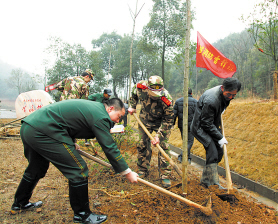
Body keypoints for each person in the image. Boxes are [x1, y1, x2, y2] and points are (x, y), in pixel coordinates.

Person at [10, 98, 138, 224]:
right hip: (44, 131)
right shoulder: (101, 116)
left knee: (36, 168)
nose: (118, 120)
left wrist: (71, 142)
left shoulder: (93, 108)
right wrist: (127, 172)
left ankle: (20, 203)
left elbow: (68, 122)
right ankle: (82, 215)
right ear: (110, 108)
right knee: (78, 170)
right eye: (119, 116)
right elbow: (109, 146)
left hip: (29, 127)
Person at [190, 77, 241, 189]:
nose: (231, 97)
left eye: (234, 95)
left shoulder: (225, 96)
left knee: (219, 151)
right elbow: (205, 123)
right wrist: (220, 136)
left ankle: (206, 179)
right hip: (200, 127)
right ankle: (212, 184)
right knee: (212, 151)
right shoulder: (212, 100)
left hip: (210, 124)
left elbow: (213, 116)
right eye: (229, 94)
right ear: (222, 88)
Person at [128, 75, 174, 188]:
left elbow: (168, 120)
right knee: (142, 144)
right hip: (145, 119)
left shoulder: (166, 98)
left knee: (164, 147)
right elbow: (133, 95)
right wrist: (132, 106)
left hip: (161, 123)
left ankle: (165, 176)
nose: (155, 97)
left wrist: (159, 135)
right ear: (147, 88)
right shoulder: (140, 87)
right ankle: (143, 170)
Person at [173, 87, 198, 164]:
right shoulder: (195, 102)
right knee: (189, 141)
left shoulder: (178, 101)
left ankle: (188, 158)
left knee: (185, 142)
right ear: (191, 93)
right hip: (192, 125)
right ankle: (181, 156)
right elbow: (198, 114)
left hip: (181, 125)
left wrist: (172, 123)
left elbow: (174, 114)